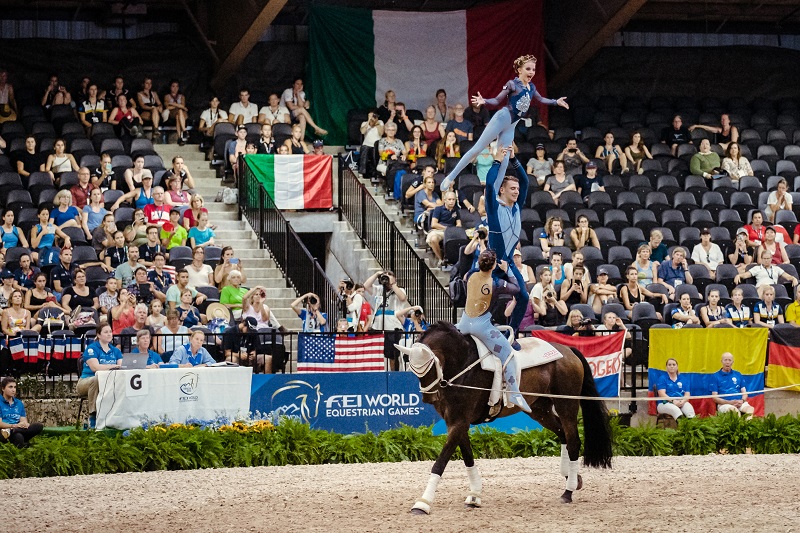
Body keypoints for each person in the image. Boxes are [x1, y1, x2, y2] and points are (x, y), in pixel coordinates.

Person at [439, 54, 568, 192]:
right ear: (519, 70)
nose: (531, 72)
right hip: (502, 118)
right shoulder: (512, 84)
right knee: (477, 148)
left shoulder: (532, 87)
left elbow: (541, 99)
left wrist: (556, 101)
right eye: (528, 69)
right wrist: (485, 101)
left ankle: (494, 192)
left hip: (511, 125)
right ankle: (450, 177)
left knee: (505, 159)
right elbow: (496, 100)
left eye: (533, 69)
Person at [457, 249, 529, 412]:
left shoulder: (470, 275)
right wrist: (507, 270)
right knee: (508, 355)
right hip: (481, 327)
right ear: (494, 265)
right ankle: (514, 392)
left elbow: (474, 269)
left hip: (463, 324)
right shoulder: (496, 283)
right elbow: (517, 289)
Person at [484, 146, 530, 340]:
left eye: (517, 189)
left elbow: (526, 182)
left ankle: (512, 334)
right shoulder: (494, 207)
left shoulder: (517, 206)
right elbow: (489, 184)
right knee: (488, 301)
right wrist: (496, 161)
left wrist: (514, 160)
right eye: (512, 188)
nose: (517, 192)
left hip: (508, 262)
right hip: (493, 264)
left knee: (524, 297)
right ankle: (482, 331)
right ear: (502, 190)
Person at [77, 324, 122, 428]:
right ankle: (93, 416)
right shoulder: (91, 349)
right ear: (98, 334)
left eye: (110, 331)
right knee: (97, 379)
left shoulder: (116, 351)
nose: (109, 334)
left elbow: (122, 367)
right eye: (106, 332)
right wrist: (114, 366)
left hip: (109, 382)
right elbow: (95, 368)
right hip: (86, 382)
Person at [0, 377, 43, 448]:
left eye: (15, 387)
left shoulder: (19, 403)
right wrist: (13, 426)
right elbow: (0, 424)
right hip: (3, 432)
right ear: (3, 389)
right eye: (10, 387)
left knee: (38, 426)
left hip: (17, 429)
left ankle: (12, 432)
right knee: (19, 437)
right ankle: (24, 444)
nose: (13, 390)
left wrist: (24, 424)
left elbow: (23, 421)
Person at [710, 352, 755, 417]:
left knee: (750, 409)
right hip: (724, 404)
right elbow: (714, 398)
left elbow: (745, 393)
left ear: (732, 362)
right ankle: (739, 426)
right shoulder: (715, 376)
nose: (727, 362)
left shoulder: (738, 374)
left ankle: (746, 425)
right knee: (734, 411)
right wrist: (729, 403)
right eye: (725, 360)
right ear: (721, 361)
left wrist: (742, 401)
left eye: (729, 360)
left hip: (739, 402)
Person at [427, 191, 461, 267]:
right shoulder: (438, 209)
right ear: (445, 200)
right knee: (433, 239)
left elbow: (459, 223)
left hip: (452, 232)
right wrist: (446, 228)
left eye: (453, 199)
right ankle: (441, 259)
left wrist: (456, 228)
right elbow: (434, 224)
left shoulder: (456, 210)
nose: (452, 201)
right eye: (449, 199)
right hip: (440, 231)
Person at [163, 80, 189, 144]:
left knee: (179, 115)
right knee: (179, 111)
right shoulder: (167, 96)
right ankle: (184, 131)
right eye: (173, 86)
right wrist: (179, 106)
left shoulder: (182, 96)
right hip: (172, 113)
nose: (175, 88)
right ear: (170, 87)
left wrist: (172, 104)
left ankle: (180, 137)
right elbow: (167, 107)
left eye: (177, 86)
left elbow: (183, 105)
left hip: (182, 114)